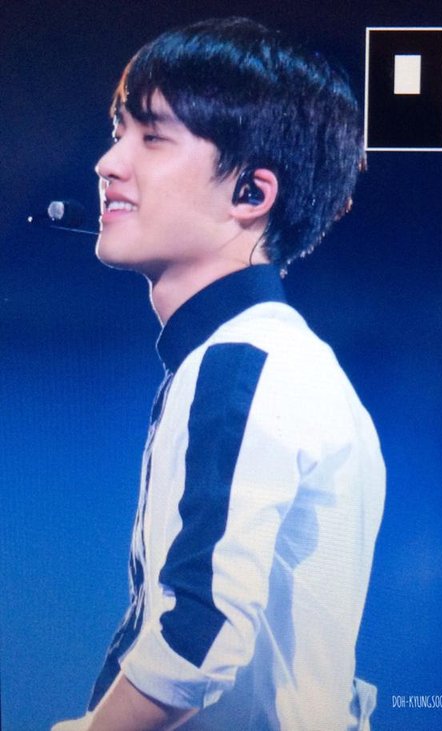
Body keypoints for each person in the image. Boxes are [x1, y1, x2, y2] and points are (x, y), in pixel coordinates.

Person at [52, 16, 385, 731]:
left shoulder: (242, 364)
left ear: (251, 194)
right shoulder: (266, 357)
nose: (108, 163)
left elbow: (194, 645)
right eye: (118, 131)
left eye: (152, 137)